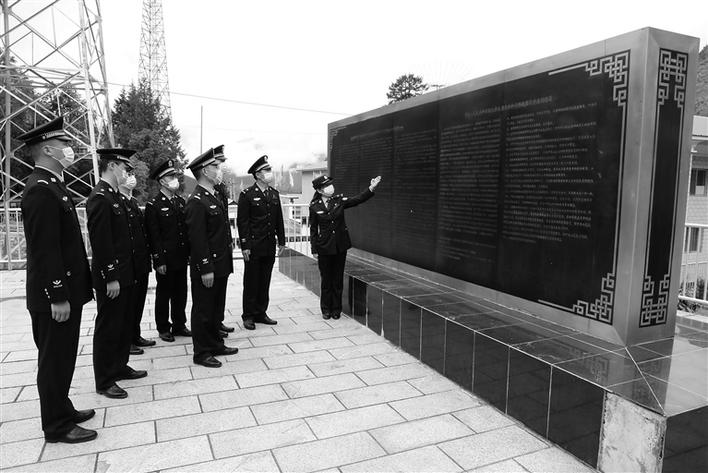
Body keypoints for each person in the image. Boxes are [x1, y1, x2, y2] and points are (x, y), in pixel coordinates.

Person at [18, 117, 97, 443]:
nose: (69, 148)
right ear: (47, 149)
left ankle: (63, 408)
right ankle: (56, 426)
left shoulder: (53, 184)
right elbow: (45, 249)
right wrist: (57, 295)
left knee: (63, 357)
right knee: (54, 360)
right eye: (64, 143)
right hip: (53, 296)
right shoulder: (40, 189)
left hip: (65, 290)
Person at [87, 148, 148, 399]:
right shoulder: (100, 197)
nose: (127, 173)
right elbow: (102, 242)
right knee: (109, 327)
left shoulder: (115, 196)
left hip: (126, 273)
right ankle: (104, 379)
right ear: (112, 166)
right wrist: (111, 276)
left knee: (123, 324)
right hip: (113, 276)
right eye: (124, 168)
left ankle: (119, 366)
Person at [185, 148, 239, 368]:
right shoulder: (197, 200)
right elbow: (198, 240)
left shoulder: (212, 196)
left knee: (215, 307)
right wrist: (205, 267)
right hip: (208, 265)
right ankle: (202, 352)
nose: (219, 170)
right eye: (215, 167)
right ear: (204, 171)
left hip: (221, 262)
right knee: (203, 309)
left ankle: (215, 343)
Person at [310, 174, 382, 319]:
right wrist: (314, 249)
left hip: (340, 246)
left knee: (337, 279)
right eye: (326, 185)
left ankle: (336, 309)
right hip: (324, 248)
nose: (330, 187)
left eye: (330, 184)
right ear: (319, 190)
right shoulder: (314, 206)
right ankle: (326, 309)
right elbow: (313, 230)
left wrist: (371, 188)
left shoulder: (339, 201)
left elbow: (358, 199)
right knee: (326, 280)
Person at [145, 159, 191, 342]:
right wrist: (158, 260)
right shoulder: (154, 205)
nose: (175, 180)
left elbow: (184, 230)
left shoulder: (180, 202)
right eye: (171, 177)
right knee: (164, 293)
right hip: (166, 258)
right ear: (162, 181)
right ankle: (163, 327)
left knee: (181, 292)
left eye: (175, 176)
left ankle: (179, 324)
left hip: (181, 256)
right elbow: (154, 236)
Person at [237, 155, 285, 330]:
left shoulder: (274, 194)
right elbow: (243, 222)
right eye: (266, 170)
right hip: (254, 246)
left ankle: (261, 312)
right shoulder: (247, 194)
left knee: (265, 281)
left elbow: (279, 219)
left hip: (269, 245)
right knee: (251, 281)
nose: (270, 173)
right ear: (257, 175)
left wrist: (282, 241)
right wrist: (245, 245)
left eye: (269, 169)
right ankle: (248, 315)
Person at [117, 167, 155, 355]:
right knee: (128, 305)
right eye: (128, 174)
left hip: (140, 262)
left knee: (138, 301)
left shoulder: (132, 201)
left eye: (132, 174)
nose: (131, 178)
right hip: (128, 264)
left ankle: (135, 334)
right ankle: (126, 340)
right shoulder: (118, 201)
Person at [211, 144, 235, 337]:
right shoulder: (208, 192)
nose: (220, 169)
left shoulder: (220, 189)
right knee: (212, 292)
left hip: (223, 246)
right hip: (214, 251)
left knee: (221, 289)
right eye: (217, 165)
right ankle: (213, 324)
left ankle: (218, 321)